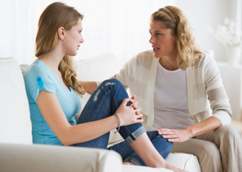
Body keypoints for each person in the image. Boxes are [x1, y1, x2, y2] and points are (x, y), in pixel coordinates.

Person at [23, 2, 186, 172]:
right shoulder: (39, 74)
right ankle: (160, 164)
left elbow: (82, 124)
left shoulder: (61, 73)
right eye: (79, 32)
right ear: (62, 32)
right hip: (62, 160)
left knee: (164, 136)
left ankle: (133, 165)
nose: (82, 39)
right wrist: (119, 119)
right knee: (111, 87)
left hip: (80, 151)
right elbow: (66, 135)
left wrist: (124, 112)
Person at [106, 6, 241, 172]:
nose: (151, 40)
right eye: (150, 33)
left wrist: (188, 132)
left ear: (177, 36)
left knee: (230, 132)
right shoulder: (139, 62)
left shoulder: (203, 63)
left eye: (158, 34)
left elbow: (224, 111)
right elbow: (109, 87)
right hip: (162, 134)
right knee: (209, 152)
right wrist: (73, 82)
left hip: (194, 129)